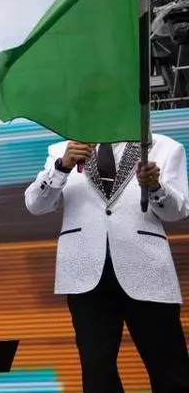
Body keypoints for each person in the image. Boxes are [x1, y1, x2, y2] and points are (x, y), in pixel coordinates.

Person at [24, 136, 189, 392]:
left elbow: (177, 212)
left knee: (170, 369)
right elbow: (36, 205)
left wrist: (156, 187)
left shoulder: (163, 146)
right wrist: (62, 167)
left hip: (147, 269)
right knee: (97, 373)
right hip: (85, 273)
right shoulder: (62, 150)